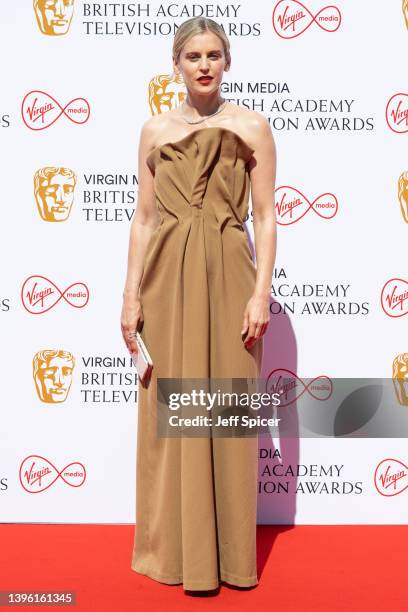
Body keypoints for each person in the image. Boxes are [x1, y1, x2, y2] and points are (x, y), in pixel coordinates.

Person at [121, 17, 277, 593]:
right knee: (171, 409)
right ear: (176, 64)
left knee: (228, 410)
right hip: (166, 276)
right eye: (193, 56)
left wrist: (261, 291)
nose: (204, 65)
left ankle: (231, 555)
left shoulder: (252, 126)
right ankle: (174, 551)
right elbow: (144, 219)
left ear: (228, 62)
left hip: (231, 272)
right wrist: (129, 293)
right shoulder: (153, 130)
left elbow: (265, 216)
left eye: (214, 54)